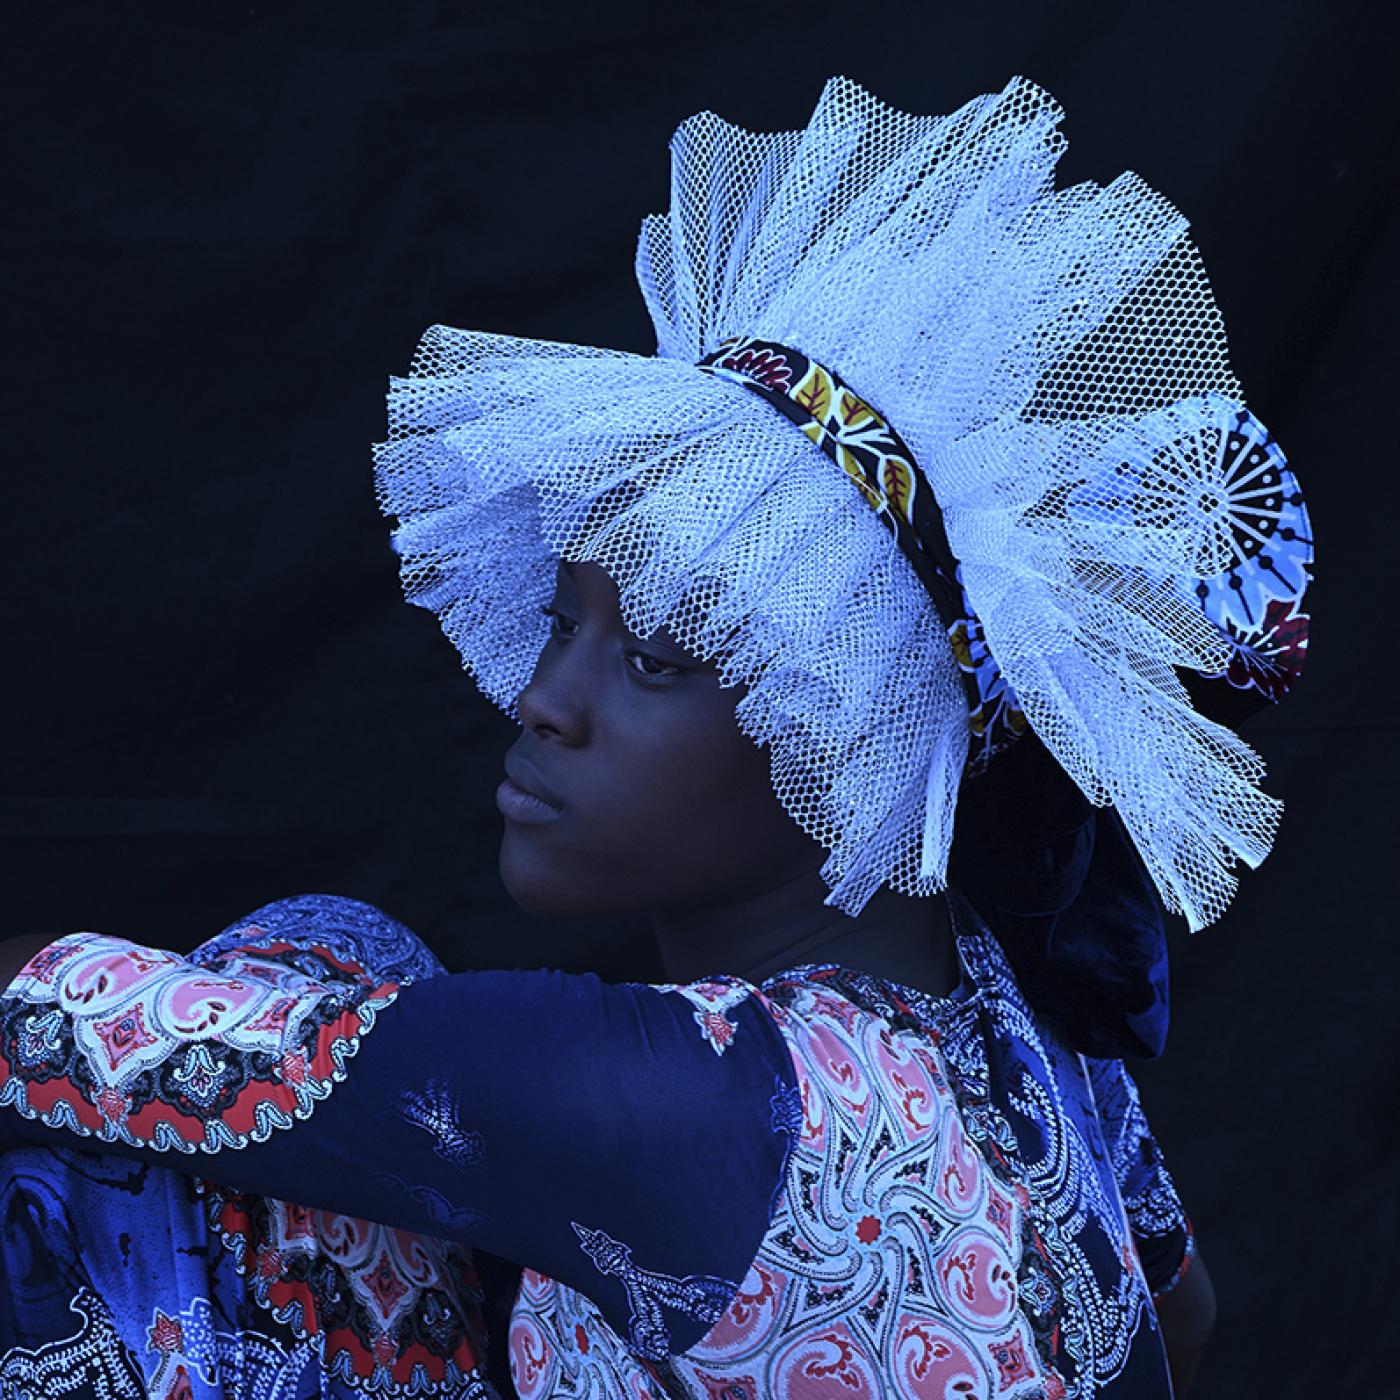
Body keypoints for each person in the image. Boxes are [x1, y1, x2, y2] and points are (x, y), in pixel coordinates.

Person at [0, 73, 1311, 1398]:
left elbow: (51, 1018)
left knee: (119, 1148)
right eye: (563, 622)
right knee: (336, 961)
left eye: (653, 658)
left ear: (837, 742)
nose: (543, 701)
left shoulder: (694, 1108)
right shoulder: (997, 1000)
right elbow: (1177, 1316)